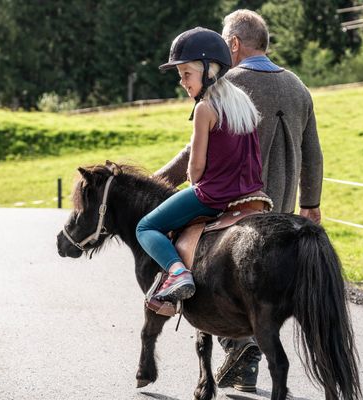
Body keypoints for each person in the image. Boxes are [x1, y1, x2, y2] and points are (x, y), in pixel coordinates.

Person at [154, 9, 324, 393]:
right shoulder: (298, 87)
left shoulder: (227, 83)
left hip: (235, 208)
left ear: (232, 45)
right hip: (278, 209)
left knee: (214, 278)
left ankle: (230, 344)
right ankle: (248, 357)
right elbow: (312, 152)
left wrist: (157, 183)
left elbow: (193, 154)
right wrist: (310, 204)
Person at [135, 27, 262, 305]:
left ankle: (177, 272)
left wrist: (194, 182)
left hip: (213, 196)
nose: (182, 82)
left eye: (186, 74)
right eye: (180, 76)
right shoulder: (244, 104)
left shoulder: (205, 108)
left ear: (208, 71)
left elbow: (195, 169)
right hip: (251, 193)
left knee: (145, 227)